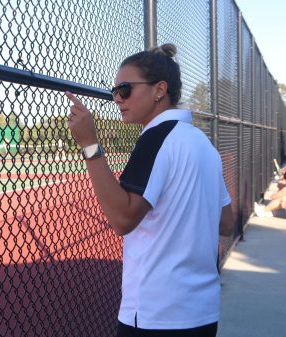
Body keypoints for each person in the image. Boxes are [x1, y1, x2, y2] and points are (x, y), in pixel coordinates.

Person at [65, 44, 234, 337]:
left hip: (156, 314)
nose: (117, 98)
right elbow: (226, 222)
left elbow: (123, 219)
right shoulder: (201, 142)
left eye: (125, 89)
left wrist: (89, 145)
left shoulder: (156, 138)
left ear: (159, 90)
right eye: (115, 91)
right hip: (202, 310)